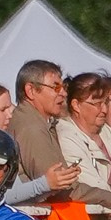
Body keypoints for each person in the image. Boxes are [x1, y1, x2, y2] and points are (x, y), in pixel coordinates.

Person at [8, 60, 89, 202]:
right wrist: (109, 199)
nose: (63, 93)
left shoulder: (38, 122)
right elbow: (58, 189)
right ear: (31, 91)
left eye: (63, 87)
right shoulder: (31, 127)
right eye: (55, 88)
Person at [59, 72, 111, 205]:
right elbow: (93, 187)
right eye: (97, 104)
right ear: (76, 105)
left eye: (105, 103)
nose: (104, 110)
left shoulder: (107, 132)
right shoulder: (66, 137)